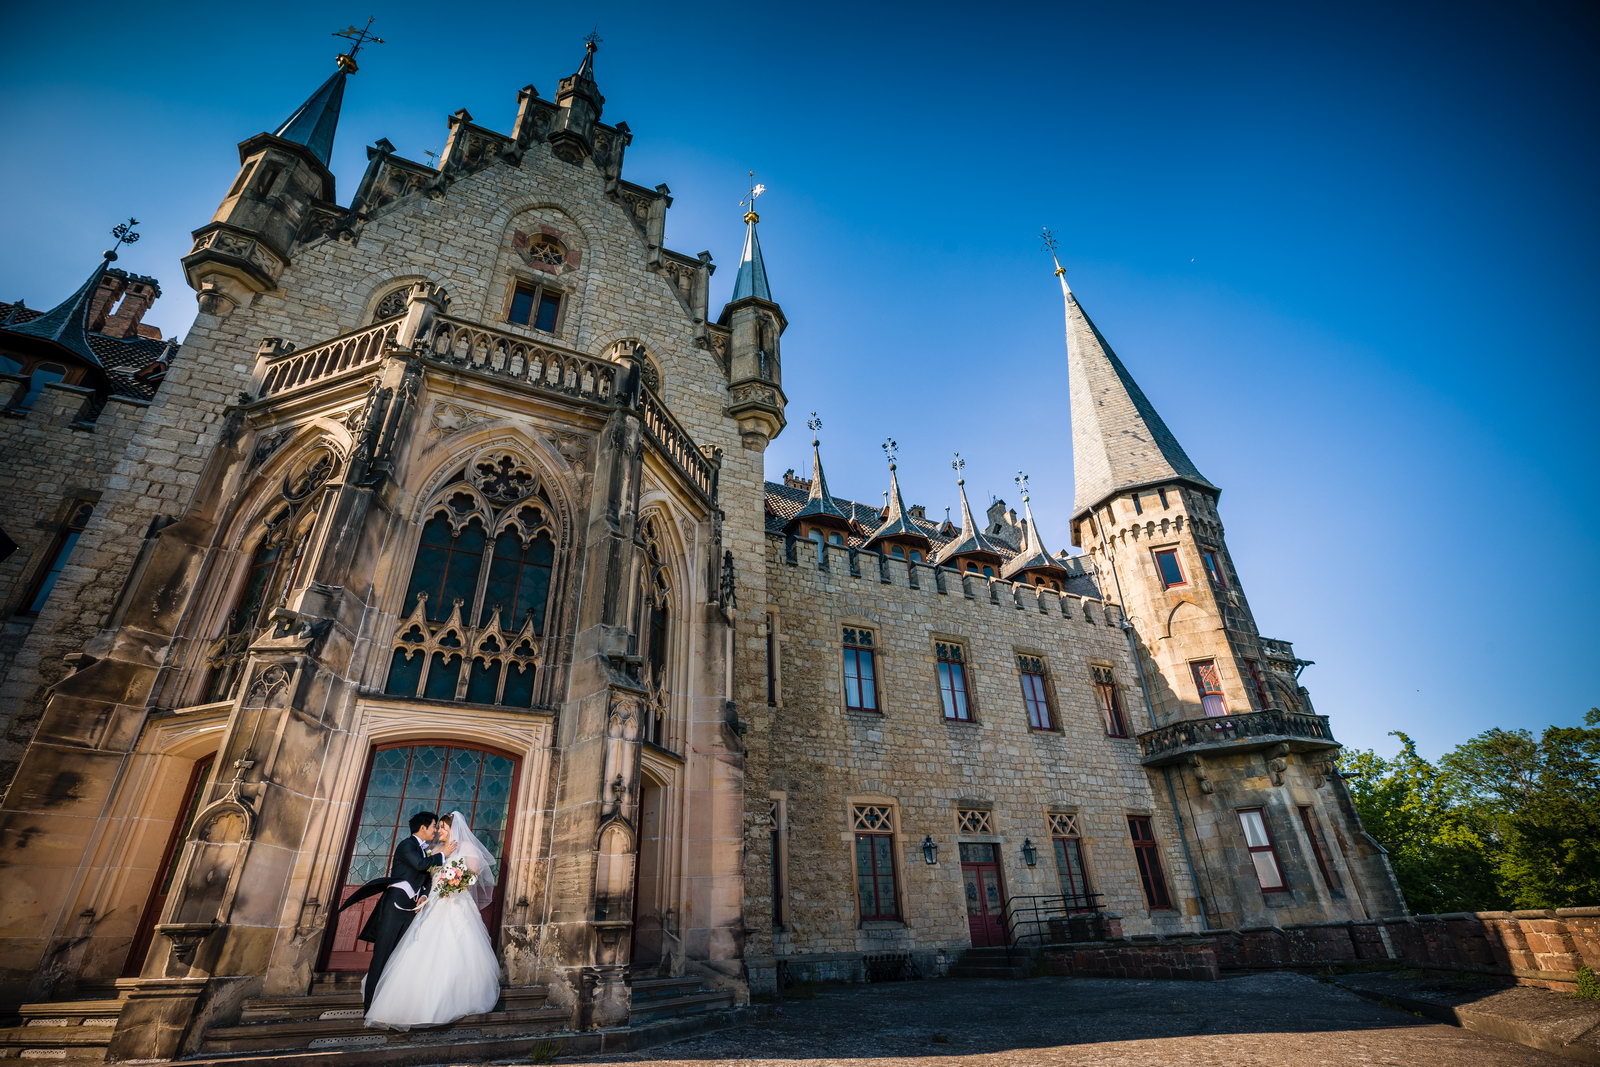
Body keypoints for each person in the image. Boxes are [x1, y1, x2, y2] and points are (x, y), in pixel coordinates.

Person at [364, 810, 501, 1029]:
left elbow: (473, 875)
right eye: (437, 827)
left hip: (456, 902)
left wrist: (456, 882)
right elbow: (426, 875)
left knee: (453, 947)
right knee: (418, 948)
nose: (439, 831)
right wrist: (428, 893)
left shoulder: (467, 848)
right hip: (433, 903)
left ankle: (453, 998)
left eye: (443, 828)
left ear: (453, 829)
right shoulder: (436, 850)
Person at [337, 811, 456, 1011]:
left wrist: (425, 894)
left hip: (412, 910)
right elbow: (420, 865)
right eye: (434, 826)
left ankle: (389, 1003)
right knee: (382, 955)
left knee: (400, 957)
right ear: (423, 828)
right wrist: (444, 855)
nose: (435, 831)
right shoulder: (407, 846)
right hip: (394, 907)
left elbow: (426, 878)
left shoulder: (424, 849)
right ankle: (369, 1006)